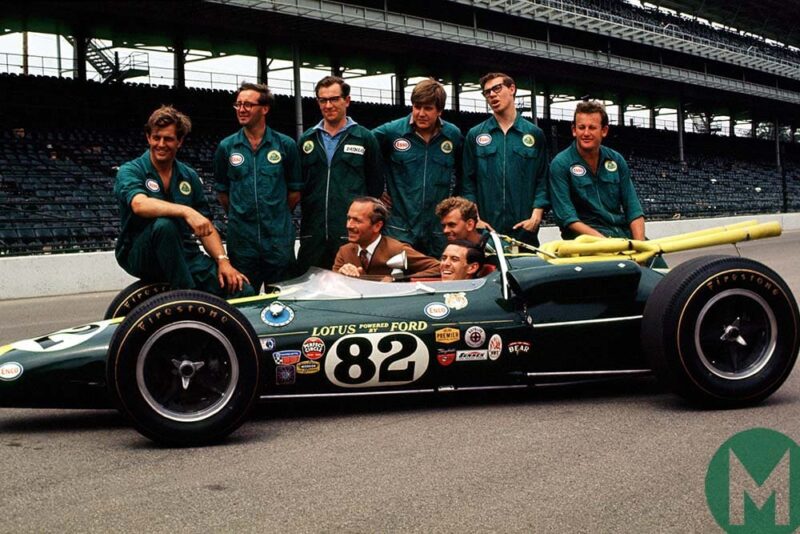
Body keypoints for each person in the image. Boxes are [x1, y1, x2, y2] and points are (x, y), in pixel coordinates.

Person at [114, 106, 253, 297]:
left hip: (184, 252)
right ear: (148, 137)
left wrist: (223, 261)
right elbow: (139, 205)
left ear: (180, 141)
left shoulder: (189, 176)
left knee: (240, 288)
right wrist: (187, 211)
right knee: (165, 225)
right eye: (156, 137)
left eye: (168, 139)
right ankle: (187, 298)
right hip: (141, 253)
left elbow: (205, 226)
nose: (161, 144)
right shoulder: (131, 170)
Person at [214, 82, 301, 292]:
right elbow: (223, 193)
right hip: (242, 243)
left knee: (282, 302)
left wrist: (275, 215)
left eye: (248, 105)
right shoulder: (227, 147)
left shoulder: (285, 145)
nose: (242, 109)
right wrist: (241, 215)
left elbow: (295, 191)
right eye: (238, 104)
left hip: (278, 242)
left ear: (265, 109)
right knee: (243, 302)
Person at [297, 76, 384, 273]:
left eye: (334, 99)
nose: (328, 105)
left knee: (351, 288)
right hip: (313, 234)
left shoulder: (365, 138)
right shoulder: (307, 140)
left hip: (350, 234)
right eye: (323, 100)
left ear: (347, 100)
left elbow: (375, 187)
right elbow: (300, 186)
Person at [372, 78, 463, 257]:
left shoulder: (452, 135)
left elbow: (465, 174)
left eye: (428, 108)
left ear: (440, 111)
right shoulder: (392, 132)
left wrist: (454, 205)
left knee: (438, 279)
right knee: (397, 281)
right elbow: (361, 148)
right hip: (399, 228)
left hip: (437, 230)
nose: (420, 113)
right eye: (416, 106)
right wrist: (374, 190)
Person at [462, 72, 549, 246]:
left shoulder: (534, 134)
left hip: (525, 231)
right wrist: (475, 219)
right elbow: (467, 182)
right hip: (487, 232)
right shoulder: (475, 135)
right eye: (487, 92)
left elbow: (542, 179)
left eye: (497, 88)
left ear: (512, 89)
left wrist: (536, 216)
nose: (492, 95)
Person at [549, 100, 646, 240]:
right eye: (581, 127)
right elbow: (567, 217)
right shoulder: (561, 164)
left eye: (592, 127)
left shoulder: (616, 160)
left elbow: (634, 210)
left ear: (604, 130)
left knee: (656, 260)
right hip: (585, 239)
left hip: (621, 232)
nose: (586, 133)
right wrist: (605, 243)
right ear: (574, 130)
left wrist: (640, 246)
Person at [333, 197, 440, 279]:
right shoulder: (344, 252)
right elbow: (332, 285)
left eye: (357, 221)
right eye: (349, 219)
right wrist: (341, 275)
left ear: (377, 226)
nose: (349, 225)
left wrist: (400, 281)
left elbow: (438, 268)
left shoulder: (397, 250)